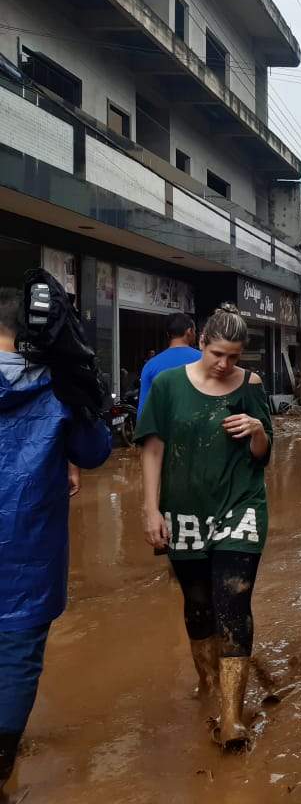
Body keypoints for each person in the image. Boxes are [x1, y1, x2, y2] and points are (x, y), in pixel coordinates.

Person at [135, 304, 271, 750]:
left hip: (240, 507)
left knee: (234, 602)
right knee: (198, 604)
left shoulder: (251, 387)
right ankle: (208, 682)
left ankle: (232, 716)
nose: (224, 364)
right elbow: (152, 448)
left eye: (234, 356)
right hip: (185, 511)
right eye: (217, 353)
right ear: (201, 342)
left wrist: (256, 429)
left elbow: (263, 453)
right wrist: (150, 509)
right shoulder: (169, 385)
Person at [0, 289, 112, 795]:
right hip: (30, 551)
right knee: (18, 655)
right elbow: (93, 453)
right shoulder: (60, 386)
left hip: (31, 545)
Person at [137, 311, 201, 421]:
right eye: (195, 331)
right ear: (189, 331)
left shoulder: (150, 365)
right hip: (197, 428)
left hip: (162, 432)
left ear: (168, 334)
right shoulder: (203, 359)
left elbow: (143, 412)